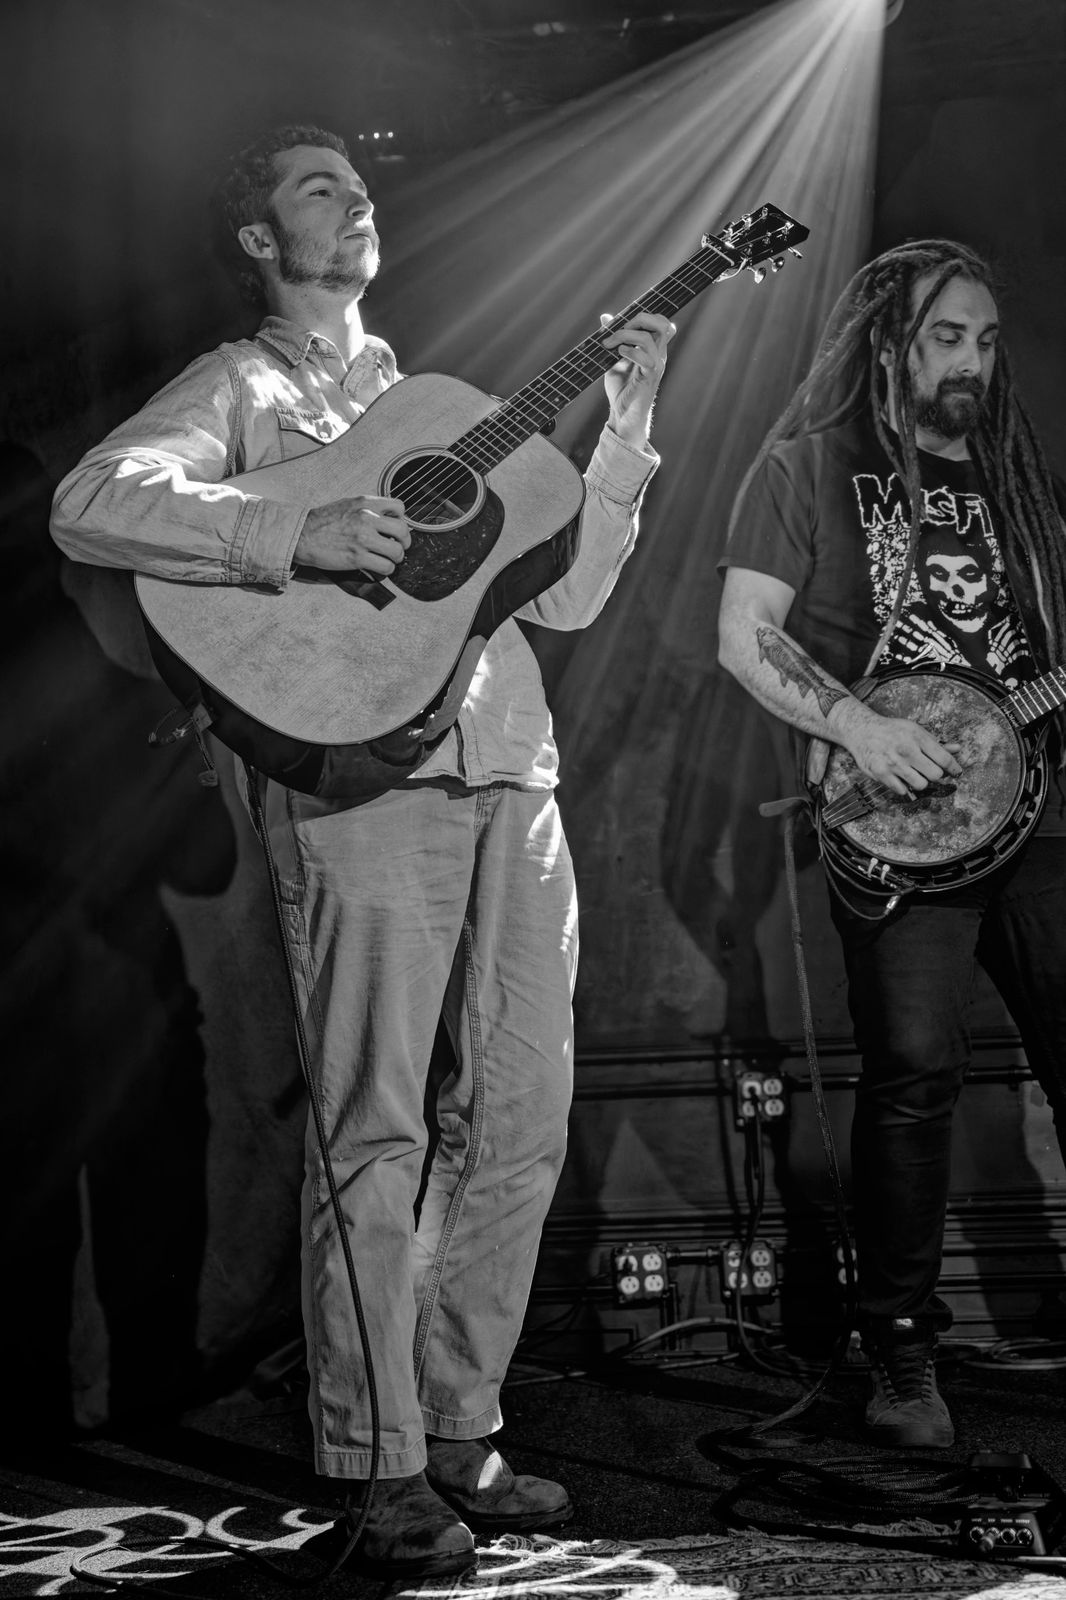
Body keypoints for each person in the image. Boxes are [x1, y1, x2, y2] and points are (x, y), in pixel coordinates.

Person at [50, 124, 674, 1577]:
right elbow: (93, 501)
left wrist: (625, 430)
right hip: (353, 775)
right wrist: (299, 534)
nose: (354, 200)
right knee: (375, 1129)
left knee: (520, 1116)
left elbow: (567, 600)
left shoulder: (435, 405)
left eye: (359, 185)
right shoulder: (242, 385)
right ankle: (378, 1461)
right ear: (260, 237)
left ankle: (456, 1425)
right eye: (318, 187)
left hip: (510, 762)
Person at [718, 239, 1066, 1450]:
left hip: (1042, 814)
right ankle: (901, 1351)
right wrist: (858, 727)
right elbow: (744, 634)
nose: (970, 360)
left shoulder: (1021, 485)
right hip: (897, 830)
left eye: (984, 339)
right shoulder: (808, 466)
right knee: (913, 1074)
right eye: (943, 337)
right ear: (887, 343)